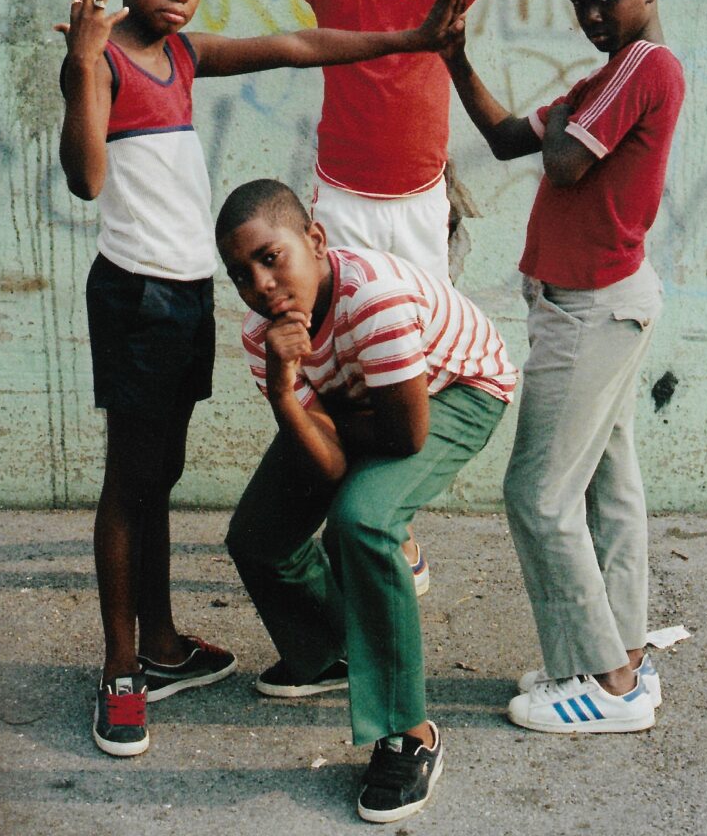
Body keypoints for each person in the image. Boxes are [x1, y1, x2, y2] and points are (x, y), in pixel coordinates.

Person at [98, 0, 615, 582]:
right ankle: (343, 510)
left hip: (416, 207)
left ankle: (391, 517)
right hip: (341, 208)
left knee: (413, 370)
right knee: (338, 365)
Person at [57, 0, 469, 757]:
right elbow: (87, 176)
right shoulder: (101, 60)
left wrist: (410, 38)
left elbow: (295, 44)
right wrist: (80, 66)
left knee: (158, 474)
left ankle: (165, 644)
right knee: (128, 481)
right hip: (135, 297)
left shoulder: (180, 56)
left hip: (182, 298)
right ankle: (121, 670)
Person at [440, 0, 685, 733]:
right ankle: (618, 659)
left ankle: (607, 685)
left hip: (591, 312)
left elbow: (565, 163)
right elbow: (514, 138)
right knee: (606, 488)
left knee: (538, 496)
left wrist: (575, 112)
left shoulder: (644, 68)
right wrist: (452, 56)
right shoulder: (608, 73)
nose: (588, 15)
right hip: (591, 309)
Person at [215, 179, 517, 822]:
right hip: (369, 403)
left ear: (315, 241)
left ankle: (409, 732)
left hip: (456, 389)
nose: (262, 285)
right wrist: (281, 389)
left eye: (271, 257)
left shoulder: (371, 297)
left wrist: (329, 418)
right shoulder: (262, 336)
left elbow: (406, 435)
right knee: (259, 537)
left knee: (362, 522)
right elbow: (324, 464)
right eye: (243, 275)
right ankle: (331, 650)